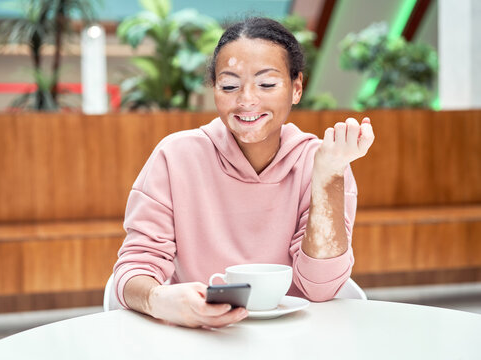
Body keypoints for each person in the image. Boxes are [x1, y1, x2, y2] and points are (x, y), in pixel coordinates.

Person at [113, 17, 375, 328]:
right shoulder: (176, 157)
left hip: (298, 340)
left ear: (296, 88)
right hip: (199, 337)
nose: (246, 100)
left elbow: (321, 287)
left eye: (266, 84)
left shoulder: (320, 161)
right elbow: (134, 270)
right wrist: (159, 300)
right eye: (229, 86)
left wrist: (328, 176)